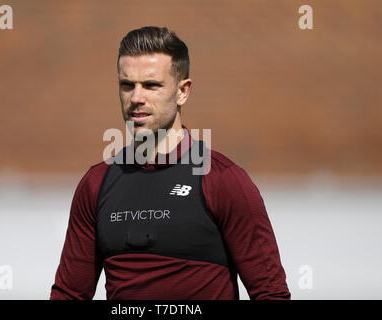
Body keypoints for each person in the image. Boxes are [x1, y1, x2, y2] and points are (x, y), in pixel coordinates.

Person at [50, 26, 290, 300]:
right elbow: (69, 295)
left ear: (182, 92)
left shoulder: (224, 181)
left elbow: (271, 293)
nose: (136, 98)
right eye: (127, 85)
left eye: (151, 85)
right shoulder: (95, 184)